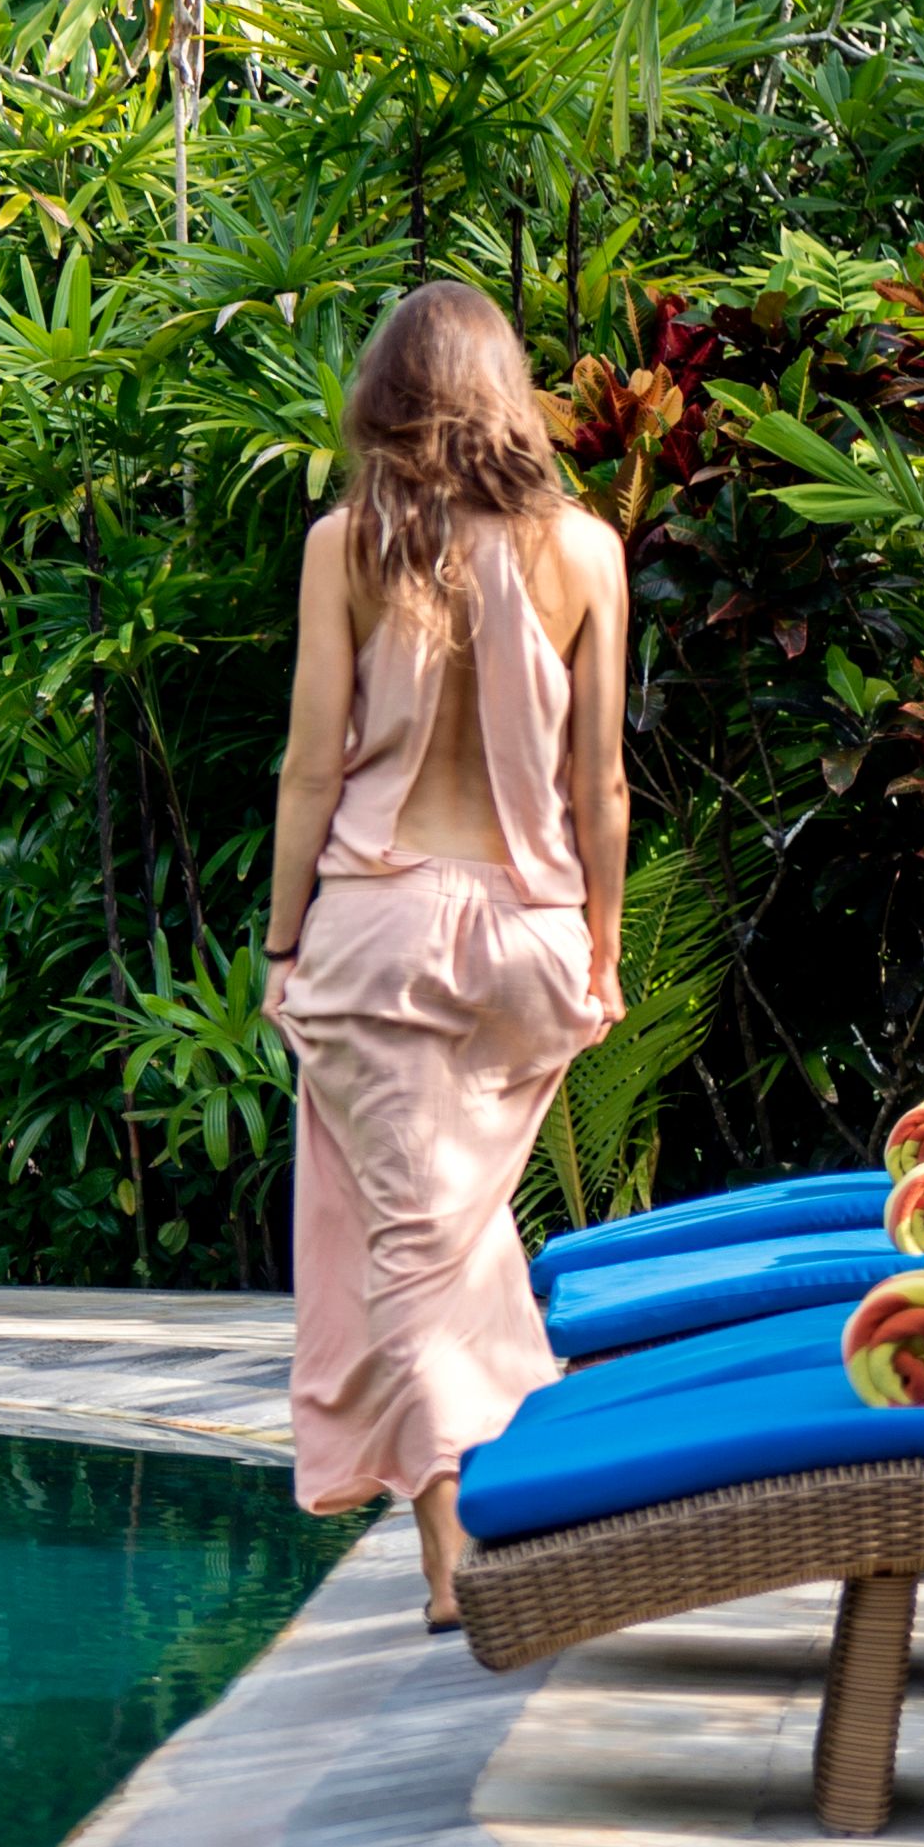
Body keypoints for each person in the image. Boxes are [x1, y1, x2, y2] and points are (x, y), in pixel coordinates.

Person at [265, 280, 630, 1629]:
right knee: (452, 1232)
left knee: (413, 1245)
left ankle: (449, 1560)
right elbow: (599, 788)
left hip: (378, 928)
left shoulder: (343, 546)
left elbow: (311, 768)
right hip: (528, 939)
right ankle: (534, 1502)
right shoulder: (582, 550)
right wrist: (596, 945)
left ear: (384, 396)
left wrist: (279, 938)